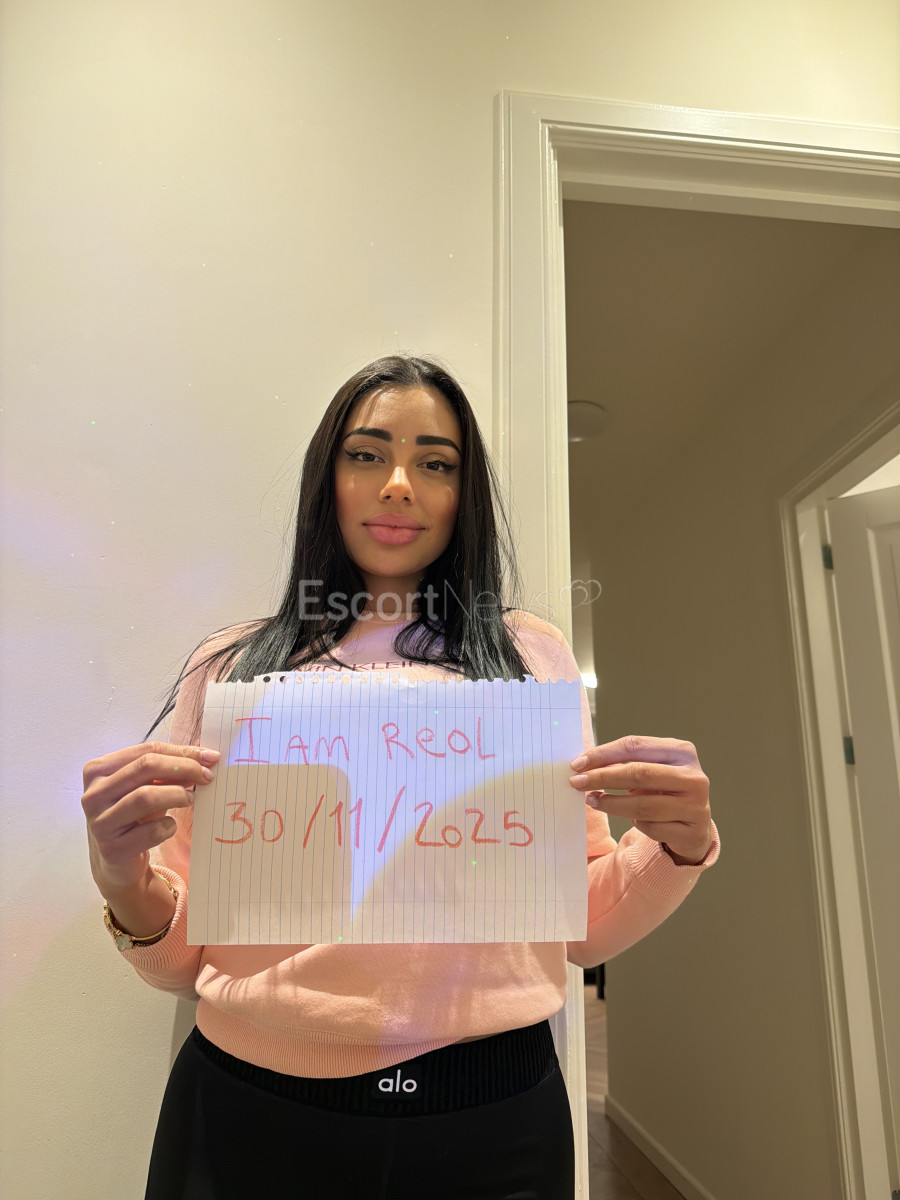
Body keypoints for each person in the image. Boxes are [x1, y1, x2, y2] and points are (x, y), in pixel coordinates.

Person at [82, 355, 719, 1200]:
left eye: (436, 463)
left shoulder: (529, 657)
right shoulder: (235, 668)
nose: (397, 485)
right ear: (327, 478)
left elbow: (583, 929)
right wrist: (120, 875)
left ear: (464, 495)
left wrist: (677, 845)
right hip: (251, 1113)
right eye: (366, 454)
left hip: (494, 1118)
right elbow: (179, 959)